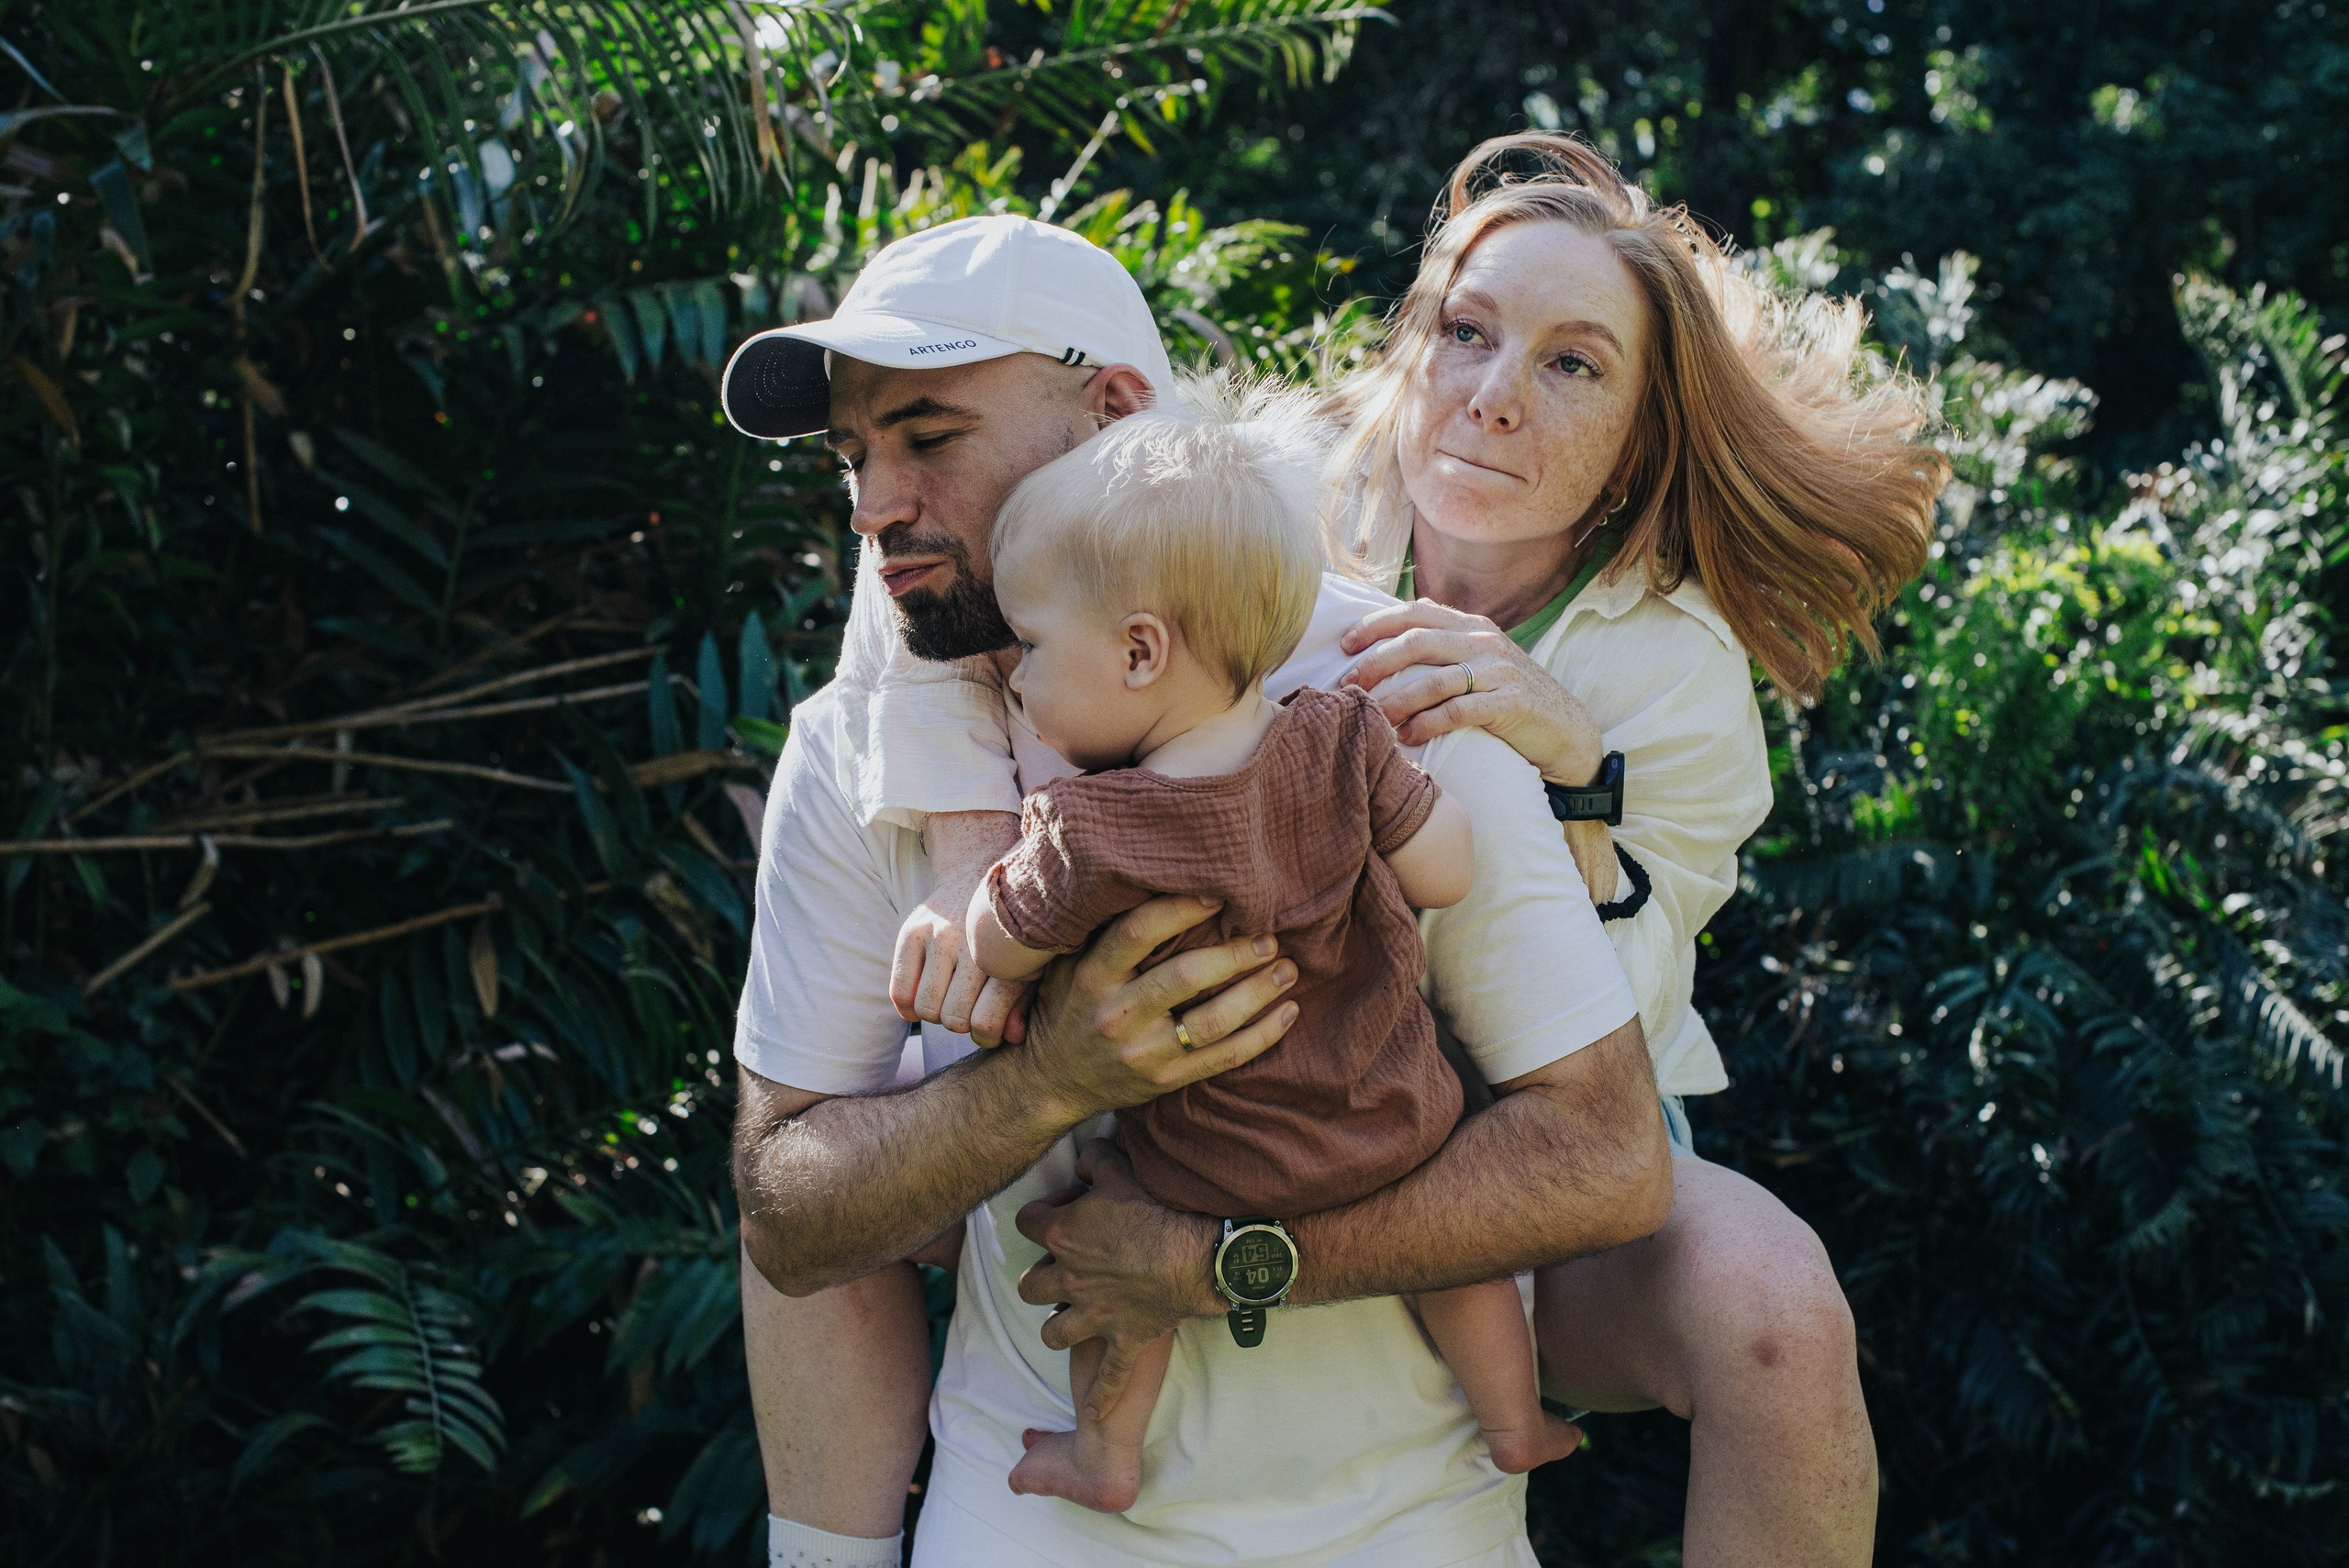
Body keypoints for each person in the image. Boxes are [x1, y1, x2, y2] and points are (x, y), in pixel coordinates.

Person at [860, 134, 1947, 1564]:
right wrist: (968, 857)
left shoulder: (1680, 677)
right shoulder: (1265, 499)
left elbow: (1603, 1038)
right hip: (1277, 1074)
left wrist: (1568, 778)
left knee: (1779, 1319)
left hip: (1515, 1146)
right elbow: (956, 574)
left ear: (1642, 429)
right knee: (856, 1148)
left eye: (1574, 365)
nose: (1495, 398)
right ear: (1412, 346)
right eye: (1469, 332)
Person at [722, 213, 1667, 1568]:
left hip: (1410, 1523)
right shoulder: (856, 752)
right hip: (1037, 1512)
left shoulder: (1387, 692)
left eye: (929, 440)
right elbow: (792, 1216)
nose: (874, 505)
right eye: (854, 456)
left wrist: (1218, 1258)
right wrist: (1049, 1080)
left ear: (1112, 413)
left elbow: (1606, 1157)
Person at [961, 395, 1581, 1511]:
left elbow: (996, 936)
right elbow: (1446, 871)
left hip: (1207, 1175)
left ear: (1140, 650)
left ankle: (1103, 1451)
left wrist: (977, 907)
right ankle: (1516, 1418)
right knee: (1465, 1260)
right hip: (1394, 1116)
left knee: (1117, 1236)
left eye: (1032, 646)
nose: (1015, 678)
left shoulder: (1092, 826)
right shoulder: (1342, 736)